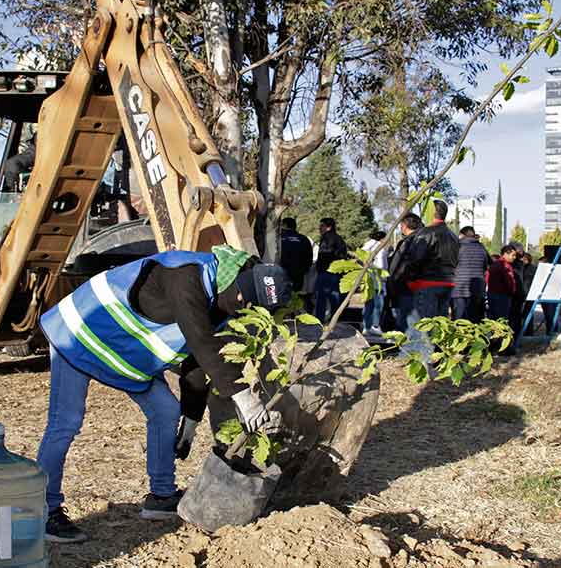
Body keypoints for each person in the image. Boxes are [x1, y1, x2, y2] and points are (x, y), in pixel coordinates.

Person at [36, 245, 292, 543]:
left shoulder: (220, 302)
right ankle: (44, 511)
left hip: (121, 351)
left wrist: (191, 420)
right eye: (243, 296)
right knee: (65, 422)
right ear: (240, 279)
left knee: (166, 411)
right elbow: (201, 340)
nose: (239, 303)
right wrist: (243, 395)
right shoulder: (186, 276)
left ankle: (161, 497)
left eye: (248, 304)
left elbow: (196, 364)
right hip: (78, 333)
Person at [393, 200, 459, 358]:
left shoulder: (426, 233)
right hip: (448, 282)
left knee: (423, 324)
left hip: (427, 283)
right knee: (439, 323)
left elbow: (415, 259)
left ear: (430, 212)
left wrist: (409, 279)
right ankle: (438, 356)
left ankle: (422, 359)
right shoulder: (453, 236)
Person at [385, 213, 423, 332]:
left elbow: (400, 266)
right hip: (408, 288)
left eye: (401, 224)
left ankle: (409, 350)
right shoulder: (417, 240)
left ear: (405, 225)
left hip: (407, 289)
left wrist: (394, 283)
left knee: (409, 327)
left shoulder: (412, 242)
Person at [312, 217, 348, 322]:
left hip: (326, 272)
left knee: (321, 298)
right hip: (337, 273)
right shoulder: (339, 239)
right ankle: (335, 320)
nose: (319, 228)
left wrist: (319, 267)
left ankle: (319, 320)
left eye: (321, 226)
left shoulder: (327, 238)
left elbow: (324, 254)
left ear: (328, 227)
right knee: (335, 298)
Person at [451, 226, 489, 323]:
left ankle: (460, 338)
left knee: (459, 320)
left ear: (462, 235)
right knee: (474, 320)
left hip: (459, 289)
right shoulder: (482, 248)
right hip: (478, 289)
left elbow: (451, 265)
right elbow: (486, 265)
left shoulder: (457, 247)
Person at [487, 244, 519, 355]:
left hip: (493, 295)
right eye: (513, 255)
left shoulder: (495, 265)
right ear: (505, 253)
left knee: (494, 322)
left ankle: (493, 346)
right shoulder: (504, 266)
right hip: (502, 296)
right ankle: (503, 348)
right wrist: (512, 291)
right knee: (502, 322)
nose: (514, 257)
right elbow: (509, 281)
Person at [360, 230, 388, 336]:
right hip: (377, 280)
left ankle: (366, 326)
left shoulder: (368, 247)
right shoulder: (379, 249)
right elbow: (381, 265)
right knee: (378, 304)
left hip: (369, 280)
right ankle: (375, 326)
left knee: (368, 304)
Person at [277, 217, 313, 296]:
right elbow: (309, 256)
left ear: (285, 225)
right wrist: (305, 269)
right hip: (298, 274)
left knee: (281, 295)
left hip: (281, 272)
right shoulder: (304, 239)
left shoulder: (279, 238)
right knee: (295, 295)